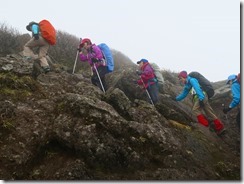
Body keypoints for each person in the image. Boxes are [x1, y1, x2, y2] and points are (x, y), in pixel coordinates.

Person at [175, 71, 225, 136]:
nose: (180, 80)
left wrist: (201, 98)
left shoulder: (192, 80)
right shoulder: (187, 85)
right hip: (201, 97)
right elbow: (183, 95)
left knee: (195, 110)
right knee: (209, 112)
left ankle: (205, 124)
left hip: (201, 96)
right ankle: (220, 127)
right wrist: (175, 98)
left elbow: (197, 88)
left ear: (184, 77)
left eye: (180, 78)